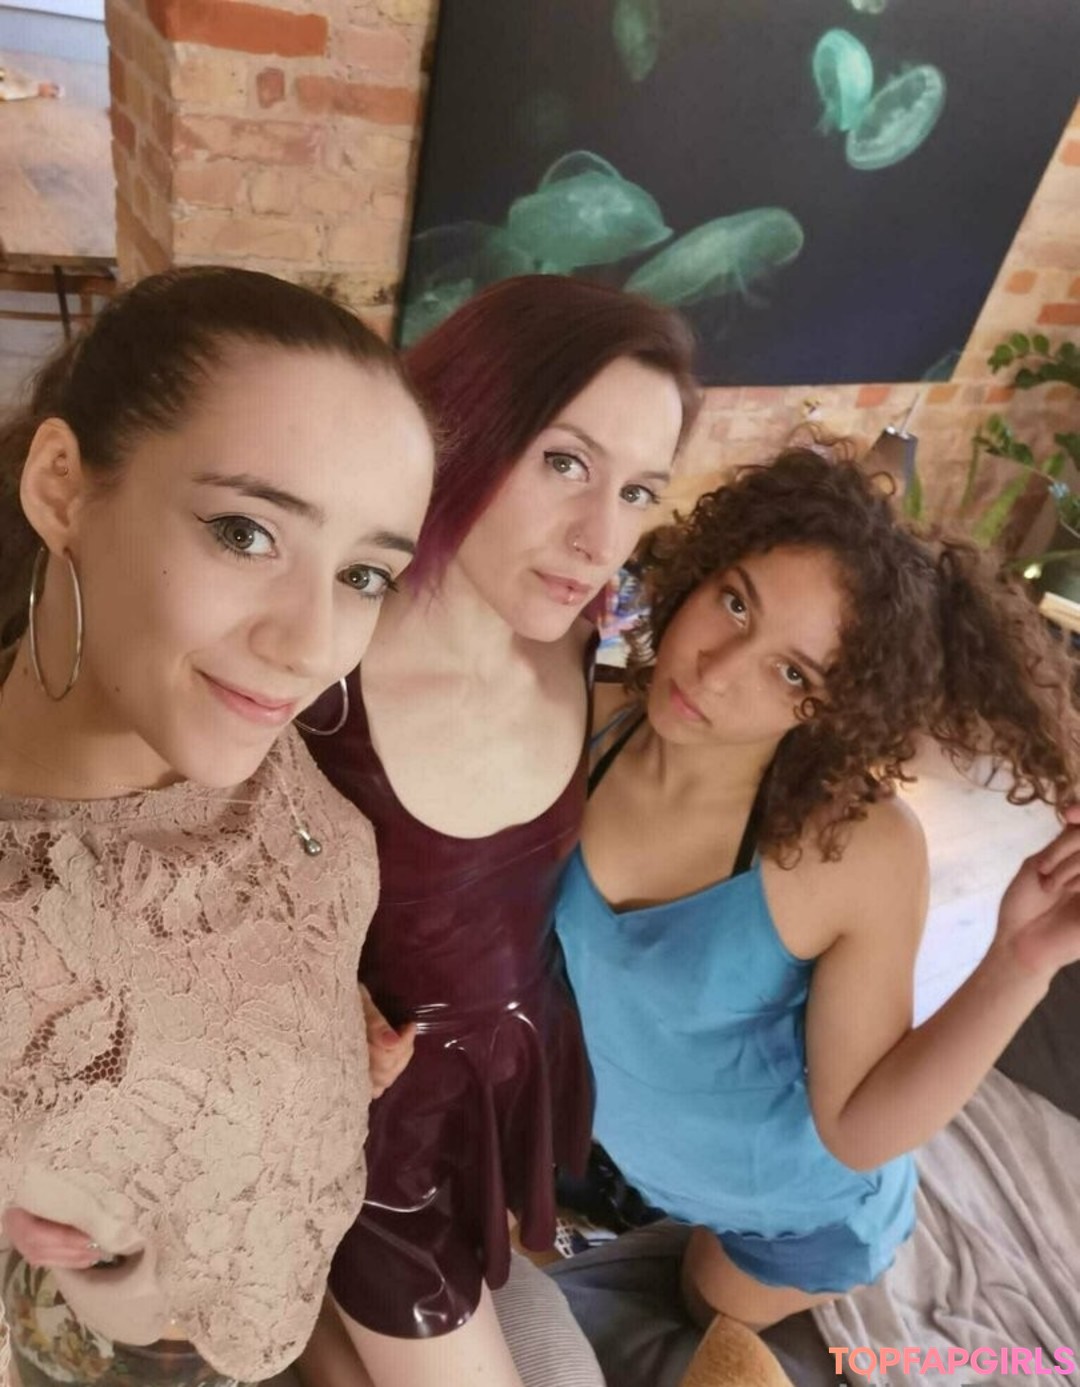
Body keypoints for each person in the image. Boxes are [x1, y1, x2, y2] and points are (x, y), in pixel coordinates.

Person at [553, 447, 1080, 1376]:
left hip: (793, 1213)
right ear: (702, 564)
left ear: (835, 710)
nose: (717, 672)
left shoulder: (850, 850)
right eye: (735, 603)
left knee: (695, 1305)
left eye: (792, 674)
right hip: (637, 1152)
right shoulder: (589, 720)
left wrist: (1019, 962)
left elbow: (856, 1127)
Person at [0, 267, 434, 1387]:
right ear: (62, 487)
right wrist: (59, 1225)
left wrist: (310, 1036)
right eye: (245, 532)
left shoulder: (209, 714)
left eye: (365, 573)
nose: (313, 643)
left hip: (301, 1259)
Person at [296, 275, 699, 1387]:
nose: (599, 537)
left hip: (492, 1109)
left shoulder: (587, 650)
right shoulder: (313, 663)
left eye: (638, 491)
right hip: (364, 1149)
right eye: (565, 462)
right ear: (458, 427)